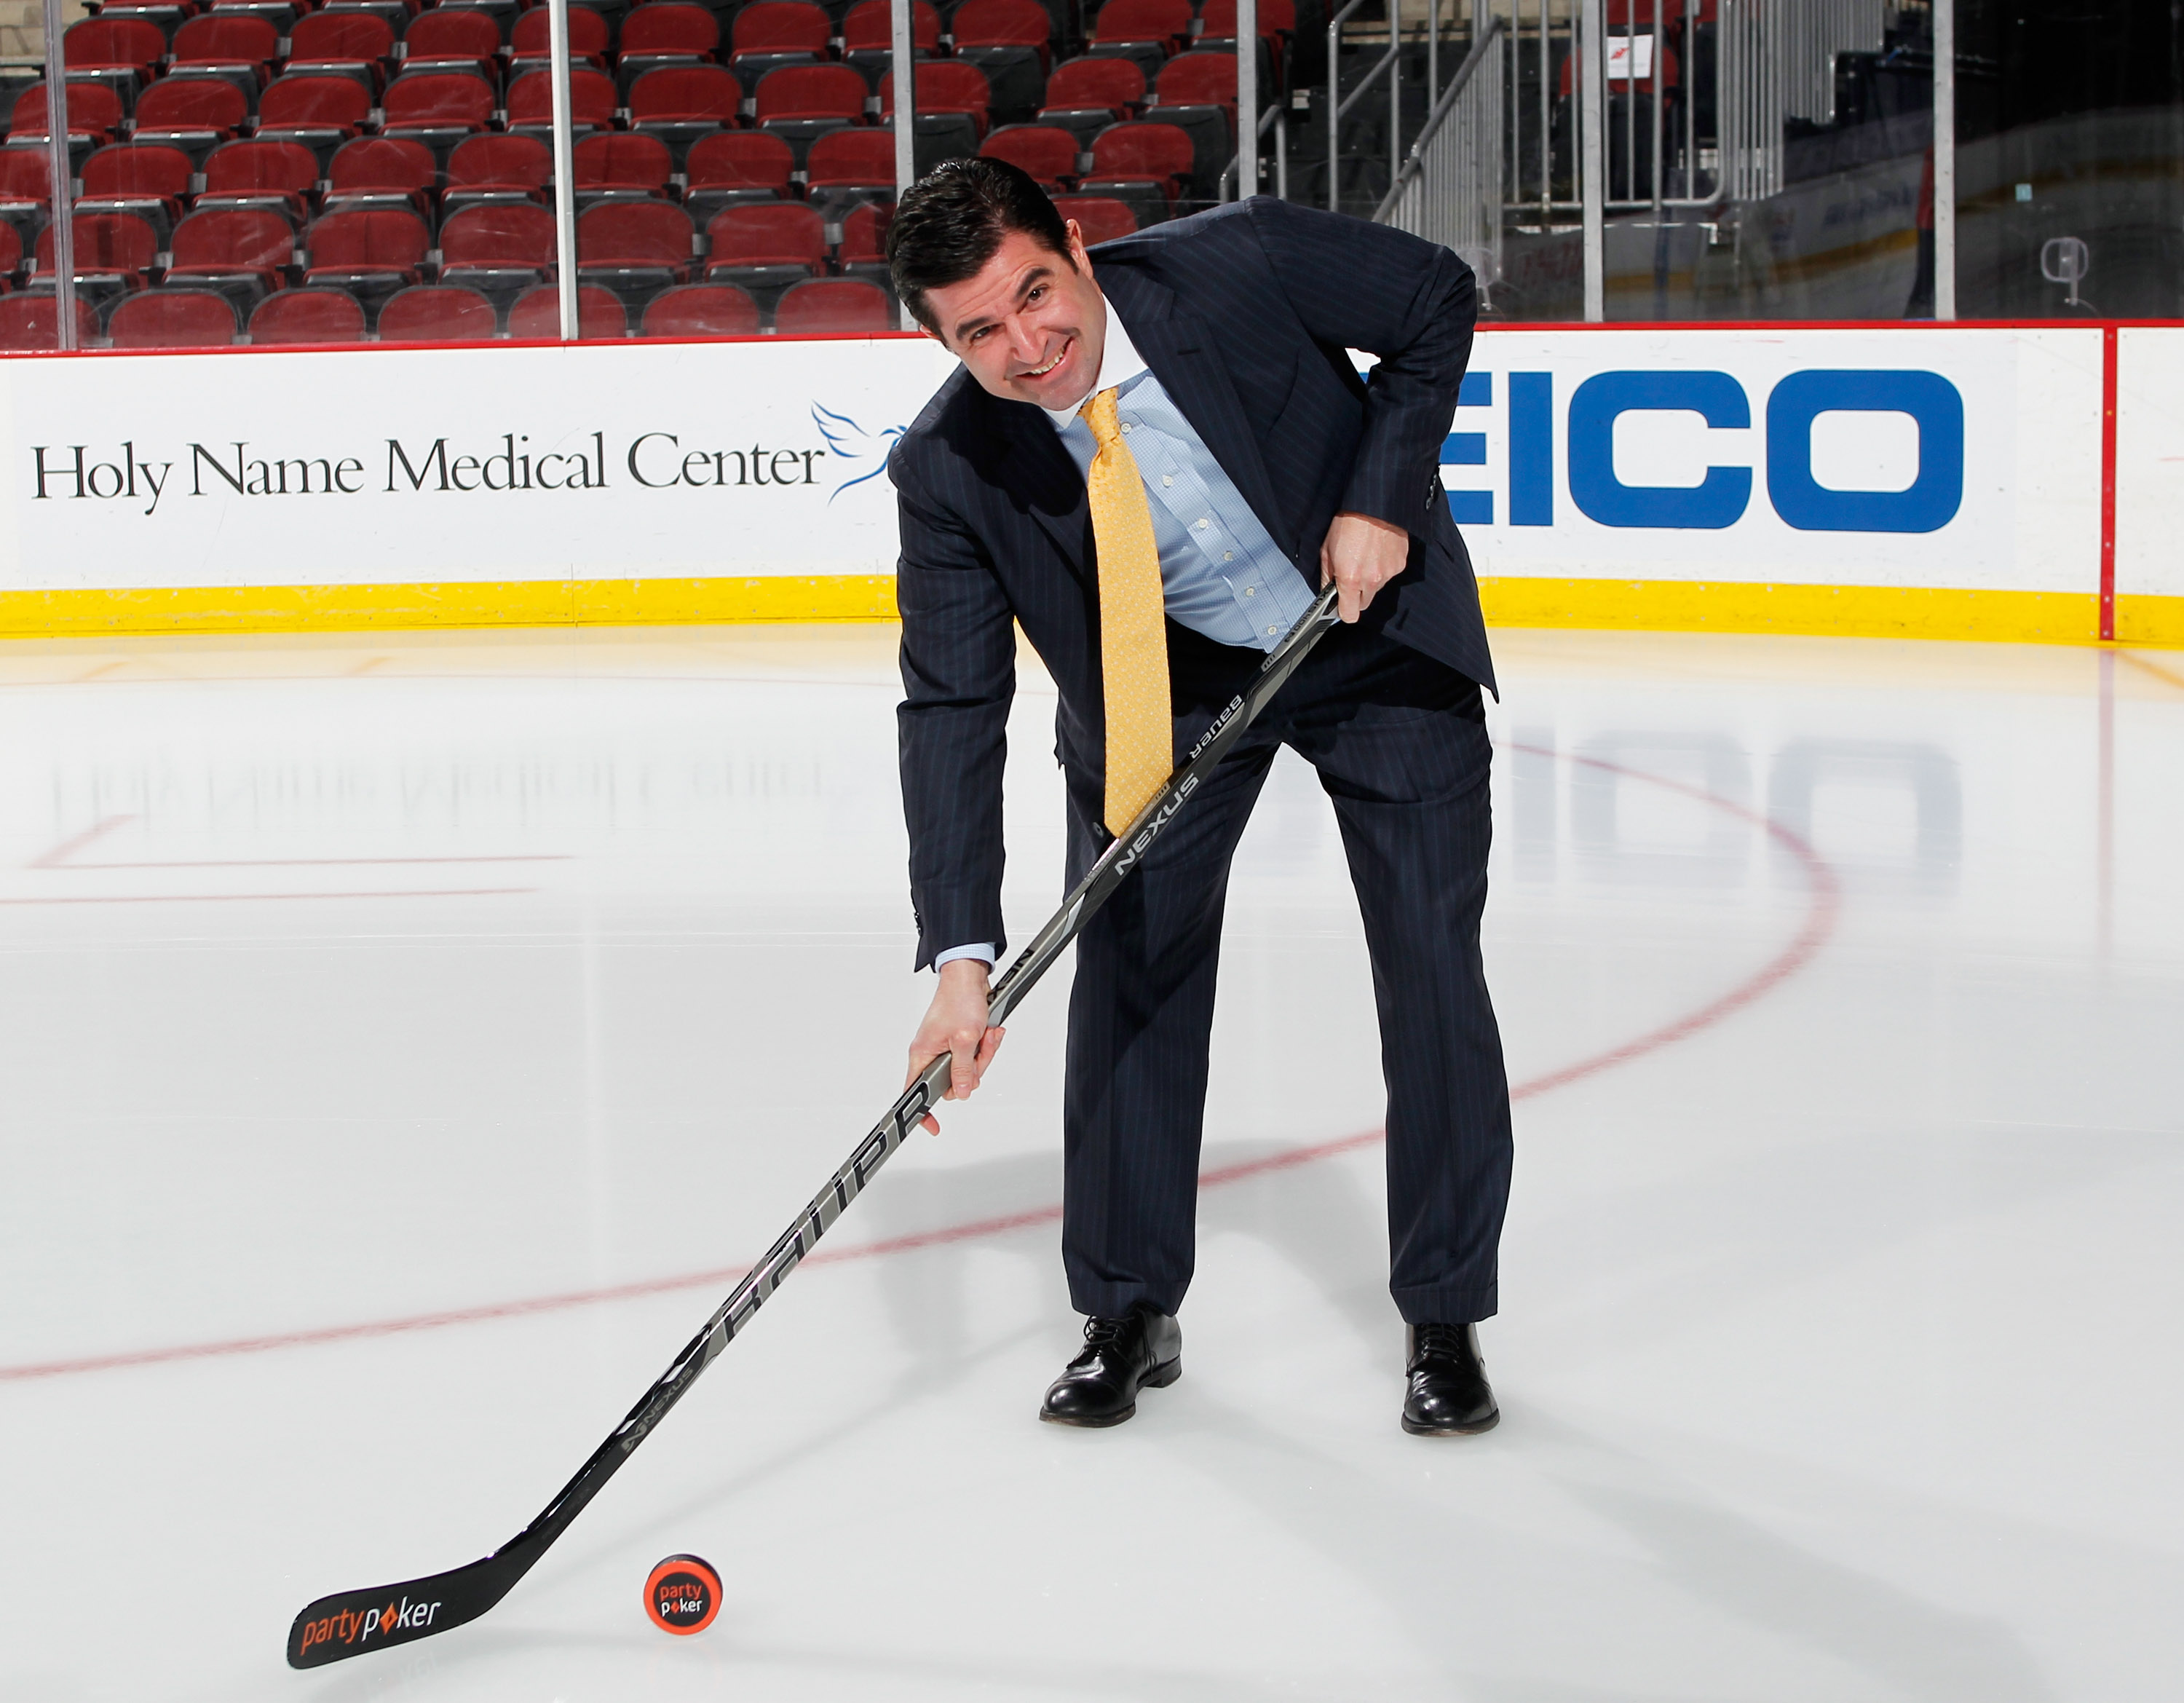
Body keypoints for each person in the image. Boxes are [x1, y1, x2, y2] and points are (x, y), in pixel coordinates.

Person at [884, 159, 1511, 1435]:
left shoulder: (1240, 262)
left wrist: (1381, 495)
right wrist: (961, 956)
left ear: (1075, 238)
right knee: (1132, 977)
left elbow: (1438, 298)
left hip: (1370, 636)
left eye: (1035, 294)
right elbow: (951, 708)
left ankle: (1444, 1313)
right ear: (941, 342)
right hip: (1159, 691)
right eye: (979, 332)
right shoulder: (946, 469)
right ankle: (1127, 1306)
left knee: (1430, 967)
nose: (1028, 345)